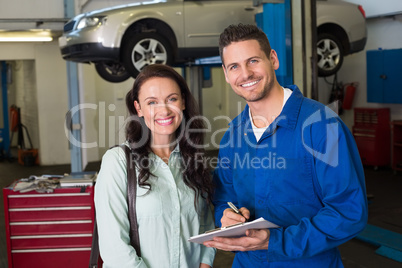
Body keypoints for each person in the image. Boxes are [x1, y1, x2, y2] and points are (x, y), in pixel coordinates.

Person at [204, 24, 368, 267]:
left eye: (253, 61)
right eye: (234, 66)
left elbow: (348, 212)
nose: (245, 74)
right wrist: (227, 217)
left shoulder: (321, 126)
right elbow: (223, 197)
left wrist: (273, 240)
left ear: (273, 59)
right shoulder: (234, 135)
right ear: (227, 75)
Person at [95, 64, 216, 268]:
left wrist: (205, 263)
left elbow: (205, 225)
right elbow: (114, 248)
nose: (164, 110)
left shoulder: (192, 160)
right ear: (138, 108)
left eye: (172, 99)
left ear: (183, 102)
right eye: (152, 102)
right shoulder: (118, 161)